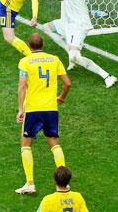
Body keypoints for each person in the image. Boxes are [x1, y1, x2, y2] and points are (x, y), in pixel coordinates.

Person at [38, 0, 117, 88]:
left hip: (78, 25)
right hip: (69, 23)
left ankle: (107, 76)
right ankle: (70, 53)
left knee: (75, 57)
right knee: (47, 28)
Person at [15, 33, 72, 195]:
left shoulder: (25, 62)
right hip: (51, 109)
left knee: (26, 146)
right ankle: (64, 185)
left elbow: (22, 86)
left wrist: (20, 109)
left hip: (33, 110)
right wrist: (61, 97)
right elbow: (68, 83)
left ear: (29, 45)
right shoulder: (54, 59)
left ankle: (30, 184)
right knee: (55, 145)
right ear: (43, 45)